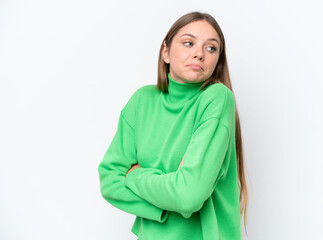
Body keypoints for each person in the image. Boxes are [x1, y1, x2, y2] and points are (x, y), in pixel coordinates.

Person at [98, 11, 248, 240]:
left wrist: (135, 176)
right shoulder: (142, 101)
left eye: (211, 48)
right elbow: (109, 180)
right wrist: (171, 196)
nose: (199, 54)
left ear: (218, 60)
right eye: (189, 43)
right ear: (165, 52)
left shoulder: (216, 98)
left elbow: (189, 195)